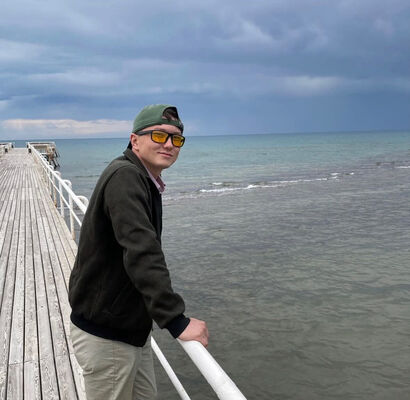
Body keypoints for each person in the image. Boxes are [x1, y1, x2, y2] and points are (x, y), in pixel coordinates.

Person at [69, 104, 209, 400]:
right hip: (108, 334)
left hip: (131, 330)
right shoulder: (126, 177)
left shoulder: (142, 178)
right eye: (159, 135)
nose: (169, 144)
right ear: (135, 140)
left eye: (176, 138)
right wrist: (176, 320)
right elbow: (142, 250)